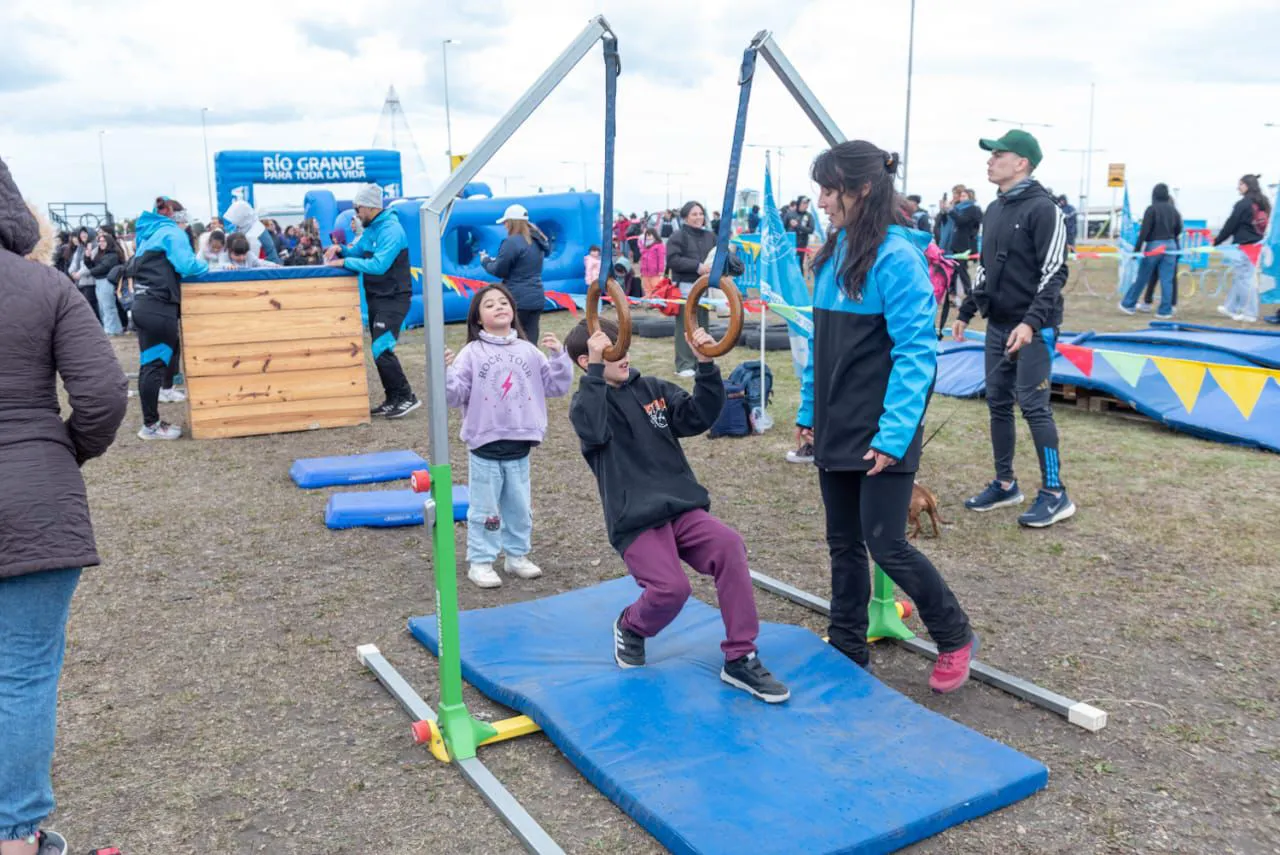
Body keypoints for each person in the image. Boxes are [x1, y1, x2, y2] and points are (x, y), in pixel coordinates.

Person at [793, 141, 976, 690]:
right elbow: (820, 342)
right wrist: (808, 412)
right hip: (836, 422)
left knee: (885, 542)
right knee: (842, 541)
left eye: (830, 190)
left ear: (862, 190)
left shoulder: (896, 259)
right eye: (821, 189)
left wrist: (894, 436)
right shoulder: (832, 254)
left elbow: (917, 353)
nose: (822, 201)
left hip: (882, 429)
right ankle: (848, 644)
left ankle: (954, 634)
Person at [0, 156, 128, 855]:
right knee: (21, 674)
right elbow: (106, 396)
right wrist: (61, 452)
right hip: (34, 500)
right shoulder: (45, 285)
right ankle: (15, 837)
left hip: (32, 491)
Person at [565, 317, 790, 704]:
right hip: (635, 519)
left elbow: (699, 416)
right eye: (609, 347)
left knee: (728, 546)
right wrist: (598, 373)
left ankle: (740, 656)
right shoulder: (588, 403)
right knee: (672, 589)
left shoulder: (650, 388)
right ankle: (632, 626)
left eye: (622, 342)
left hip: (680, 508)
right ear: (589, 361)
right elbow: (594, 428)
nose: (623, 352)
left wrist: (706, 365)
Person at [953, 129, 1074, 528]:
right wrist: (966, 310)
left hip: (1034, 329)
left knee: (1034, 407)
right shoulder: (994, 209)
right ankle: (1005, 483)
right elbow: (986, 268)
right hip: (999, 324)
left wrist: (1030, 323)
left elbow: (1055, 272)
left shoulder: (1046, 209)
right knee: (998, 404)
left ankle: (1056, 493)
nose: (989, 161)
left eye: (998, 155)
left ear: (1021, 162)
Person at [444, 284, 573, 588]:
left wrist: (558, 357)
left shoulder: (529, 351)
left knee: (519, 507)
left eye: (504, 302)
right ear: (477, 318)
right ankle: (481, 560)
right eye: (489, 305)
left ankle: (516, 557)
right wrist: (446, 371)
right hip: (485, 447)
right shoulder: (471, 353)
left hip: (520, 445)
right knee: (485, 509)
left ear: (513, 311)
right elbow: (454, 395)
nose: (499, 307)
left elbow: (555, 387)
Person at [325, 184, 420, 418]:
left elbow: (378, 266)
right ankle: (393, 398)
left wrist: (344, 264)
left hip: (394, 298)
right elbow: (357, 252)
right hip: (377, 297)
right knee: (377, 349)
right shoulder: (372, 228)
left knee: (381, 347)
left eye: (358, 209)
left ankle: (407, 397)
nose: (356, 214)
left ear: (369, 207)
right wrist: (340, 251)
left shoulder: (391, 230)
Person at [131, 197, 209, 440]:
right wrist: (205, 266)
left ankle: (150, 423)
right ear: (176, 216)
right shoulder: (171, 233)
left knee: (148, 365)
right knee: (155, 366)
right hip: (159, 307)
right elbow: (187, 266)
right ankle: (151, 426)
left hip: (142, 304)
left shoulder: (147, 235)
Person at [665, 200, 745, 377]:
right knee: (686, 327)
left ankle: (702, 360)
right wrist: (697, 266)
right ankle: (685, 364)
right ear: (685, 217)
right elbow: (673, 260)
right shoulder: (678, 236)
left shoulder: (710, 236)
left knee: (703, 326)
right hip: (686, 289)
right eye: (694, 214)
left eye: (700, 214)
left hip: (706, 291)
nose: (698, 217)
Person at [480, 204, 550, 343]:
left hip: (517, 298)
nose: (504, 225)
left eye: (505, 222)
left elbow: (500, 270)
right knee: (531, 341)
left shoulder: (511, 242)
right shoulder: (537, 240)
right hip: (536, 297)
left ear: (511, 222)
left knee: (514, 342)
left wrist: (486, 261)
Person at [1213, 174, 1271, 323]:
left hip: (1246, 246)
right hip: (1256, 245)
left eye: (1240, 184)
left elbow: (1230, 225)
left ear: (1247, 186)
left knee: (1245, 279)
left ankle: (1250, 313)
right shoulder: (1263, 203)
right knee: (1241, 277)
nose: (1238, 187)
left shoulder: (1243, 204)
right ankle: (1230, 307)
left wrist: (1217, 241)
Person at [1119, 184, 1182, 319]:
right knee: (1167, 279)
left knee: (1143, 276)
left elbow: (1144, 232)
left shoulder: (1151, 209)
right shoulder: (1174, 211)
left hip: (1155, 245)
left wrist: (1137, 250)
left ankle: (1129, 304)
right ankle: (1165, 310)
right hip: (1171, 245)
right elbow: (1179, 229)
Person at [87, 230, 123, 335]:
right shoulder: (100, 254)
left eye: (103, 241)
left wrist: (90, 272)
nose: (101, 243)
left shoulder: (112, 255)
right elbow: (93, 267)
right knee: (103, 307)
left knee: (108, 306)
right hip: (99, 281)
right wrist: (87, 258)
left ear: (109, 242)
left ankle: (112, 330)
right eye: (99, 241)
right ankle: (112, 329)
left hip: (107, 281)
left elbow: (101, 268)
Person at [638, 226, 666, 299]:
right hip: (645, 272)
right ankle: (650, 302)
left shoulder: (659, 246)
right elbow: (642, 260)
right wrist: (641, 270)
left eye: (649, 235)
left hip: (655, 272)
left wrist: (661, 271)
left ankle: (656, 302)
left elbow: (661, 259)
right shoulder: (644, 246)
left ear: (654, 235)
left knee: (655, 287)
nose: (647, 237)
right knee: (646, 287)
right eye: (646, 235)